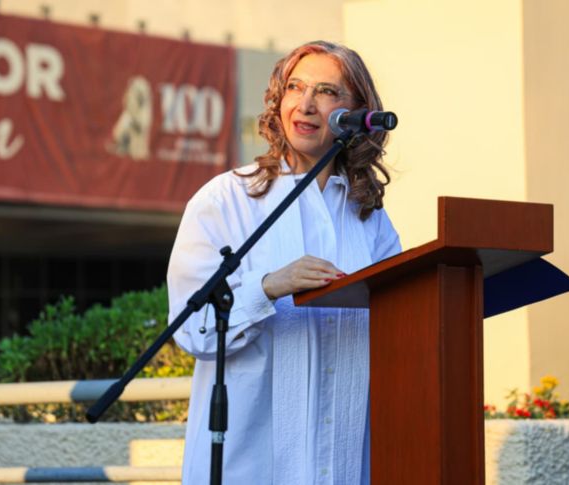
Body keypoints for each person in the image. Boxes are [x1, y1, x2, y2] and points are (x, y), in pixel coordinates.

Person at [167, 40, 401, 485]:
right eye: (295, 87)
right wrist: (267, 287)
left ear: (358, 112)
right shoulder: (225, 200)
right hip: (248, 468)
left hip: (343, 468)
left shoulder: (368, 215)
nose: (306, 104)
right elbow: (191, 329)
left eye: (327, 92)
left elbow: (400, 319)